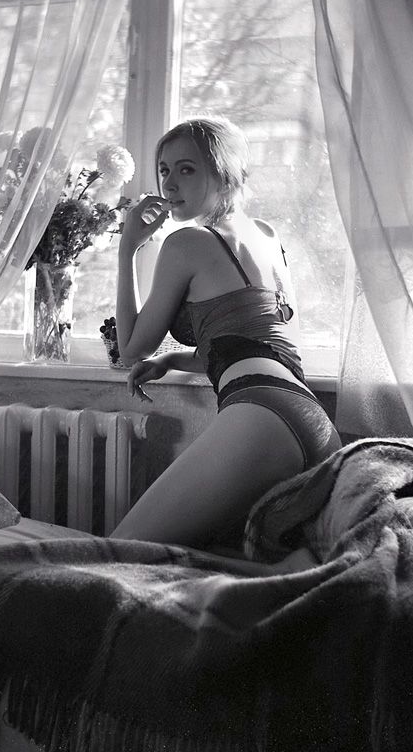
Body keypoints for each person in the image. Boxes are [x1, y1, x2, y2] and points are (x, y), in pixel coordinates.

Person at [110, 116, 341, 561]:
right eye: (164, 169)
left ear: (225, 173)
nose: (169, 183)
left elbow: (131, 349)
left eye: (186, 169)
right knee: (214, 560)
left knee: (121, 552)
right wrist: (174, 360)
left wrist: (128, 248)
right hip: (311, 420)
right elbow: (259, 343)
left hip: (260, 415)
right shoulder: (267, 235)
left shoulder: (187, 242)